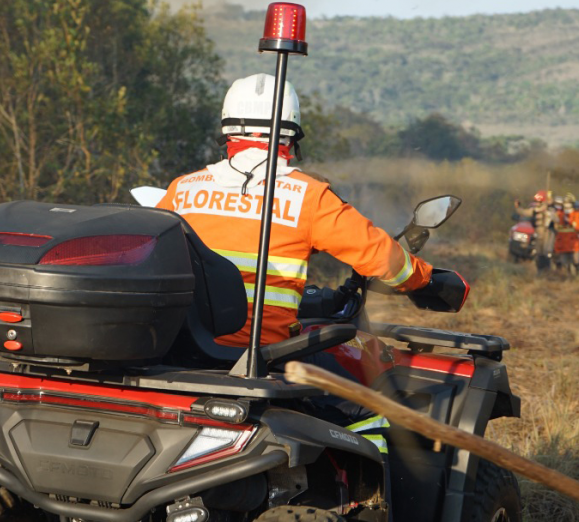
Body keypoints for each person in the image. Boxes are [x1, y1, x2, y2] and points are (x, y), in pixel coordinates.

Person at [156, 73, 433, 454]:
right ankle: (368, 496)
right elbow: (382, 257)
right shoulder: (307, 195)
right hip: (261, 358)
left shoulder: (181, 188)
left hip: (183, 352)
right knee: (370, 400)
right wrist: (427, 280)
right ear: (290, 136)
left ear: (227, 132)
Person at [515, 190, 555, 273]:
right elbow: (525, 212)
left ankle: (546, 269)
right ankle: (541, 270)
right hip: (539, 231)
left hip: (546, 232)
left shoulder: (549, 208)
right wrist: (518, 208)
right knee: (540, 252)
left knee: (545, 252)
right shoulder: (536, 209)